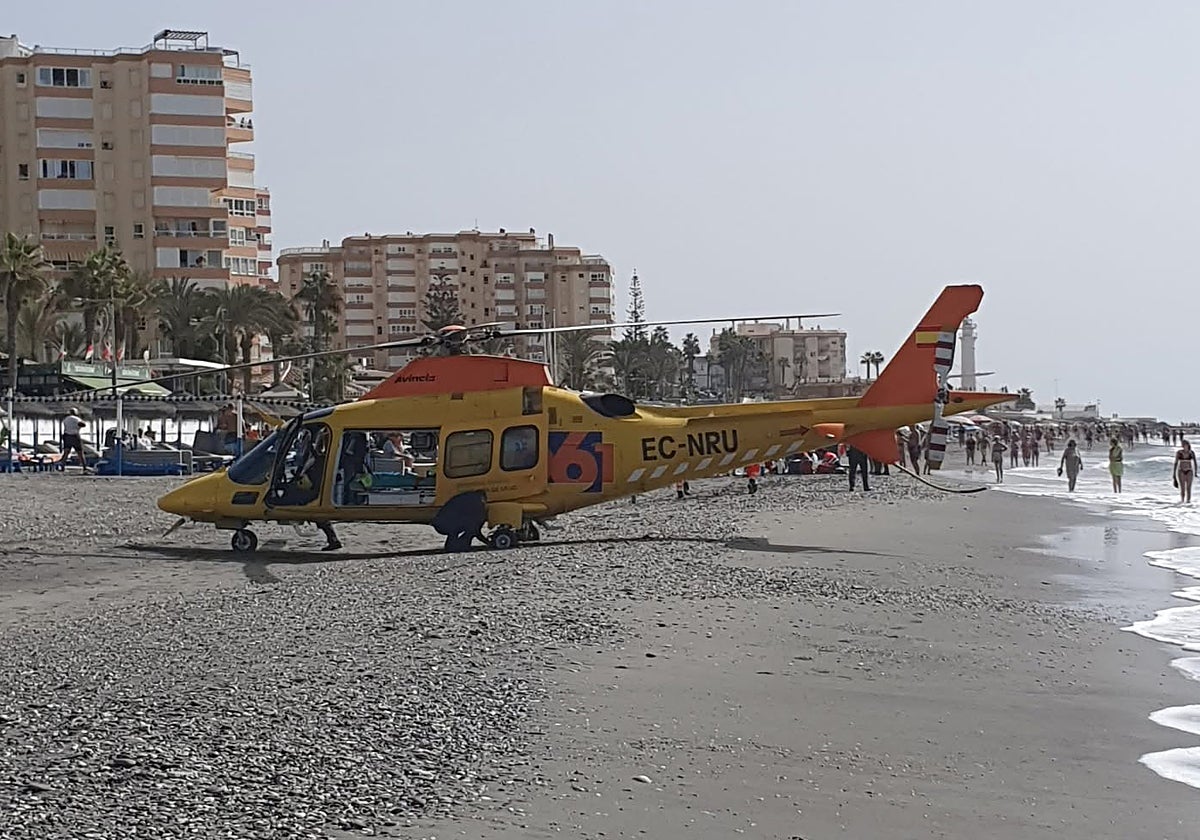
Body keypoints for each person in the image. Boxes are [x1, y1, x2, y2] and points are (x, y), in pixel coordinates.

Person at [61, 407, 88, 473]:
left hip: (67, 435)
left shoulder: (66, 419)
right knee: (80, 452)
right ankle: (84, 467)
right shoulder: (77, 419)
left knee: (66, 452)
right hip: (75, 436)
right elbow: (83, 424)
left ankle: (62, 467)